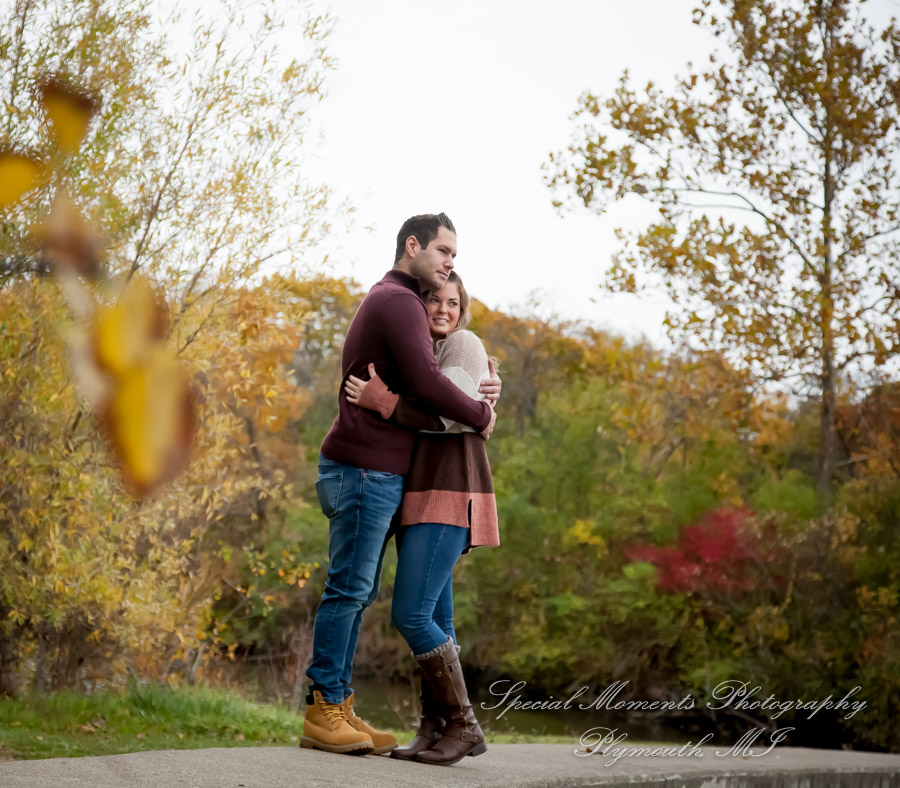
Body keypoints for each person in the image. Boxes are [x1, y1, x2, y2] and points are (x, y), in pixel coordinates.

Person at [300, 213, 501, 756]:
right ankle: (326, 708)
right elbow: (429, 385)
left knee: (369, 594)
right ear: (413, 246)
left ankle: (345, 706)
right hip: (365, 468)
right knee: (351, 590)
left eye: (454, 257)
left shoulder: (412, 311)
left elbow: (441, 382)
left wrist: (484, 394)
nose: (449, 262)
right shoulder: (398, 300)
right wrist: (482, 414)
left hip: (391, 477)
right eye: (443, 250)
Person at [343, 270, 498, 766]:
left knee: (410, 614)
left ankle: (464, 724)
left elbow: (450, 414)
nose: (443, 310)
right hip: (419, 493)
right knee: (437, 618)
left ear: (463, 310)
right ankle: (434, 727)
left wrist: (386, 403)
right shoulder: (422, 356)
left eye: (453, 302)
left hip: (449, 490)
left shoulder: (465, 345)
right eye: (433, 300)